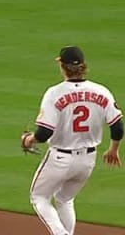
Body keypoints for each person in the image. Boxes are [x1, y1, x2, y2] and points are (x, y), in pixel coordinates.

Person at [21, 46, 122, 235]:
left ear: (63, 67)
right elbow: (117, 127)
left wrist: (28, 140)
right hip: (87, 162)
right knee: (65, 199)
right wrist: (113, 150)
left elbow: (44, 133)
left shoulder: (54, 93)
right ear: (83, 66)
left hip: (60, 159)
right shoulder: (102, 91)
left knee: (39, 197)